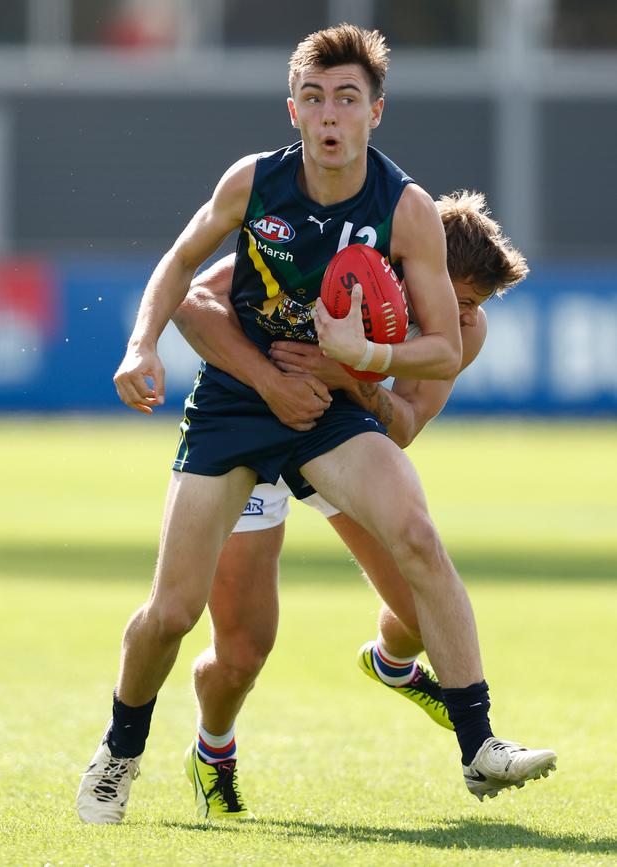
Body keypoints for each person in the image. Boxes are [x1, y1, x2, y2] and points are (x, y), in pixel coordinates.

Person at [76, 24, 556, 825]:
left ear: (375, 112)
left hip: (331, 411)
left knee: (417, 537)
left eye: (347, 99)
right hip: (239, 406)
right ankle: (123, 750)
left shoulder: (403, 215)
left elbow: (423, 374)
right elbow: (188, 284)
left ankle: (479, 742)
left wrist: (357, 360)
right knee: (198, 626)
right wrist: (146, 348)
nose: (330, 114)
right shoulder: (259, 184)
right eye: (314, 97)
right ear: (293, 110)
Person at [171, 191, 536, 820]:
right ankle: (213, 749)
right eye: (464, 297)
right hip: (251, 432)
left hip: (334, 435)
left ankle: (393, 663)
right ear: (415, 267)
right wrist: (268, 378)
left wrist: (355, 376)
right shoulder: (334, 250)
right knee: (244, 651)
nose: (470, 316)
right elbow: (194, 296)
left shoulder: (464, 330)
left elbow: (406, 422)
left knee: (425, 606)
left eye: (475, 304)